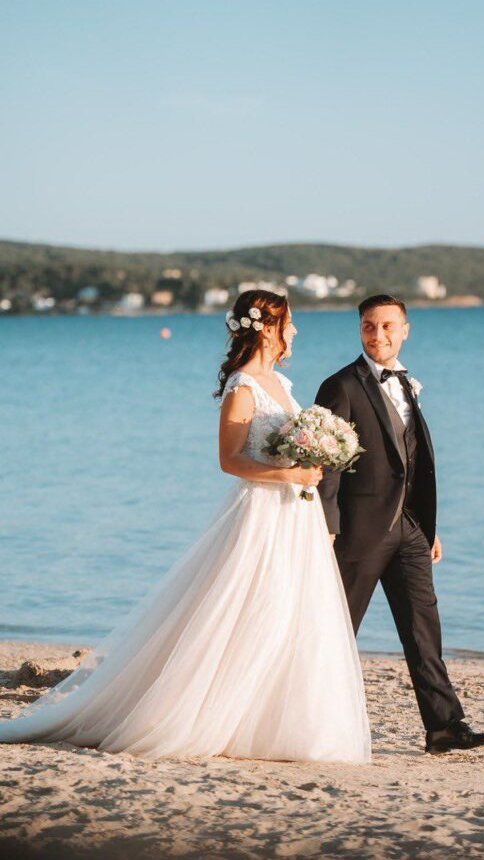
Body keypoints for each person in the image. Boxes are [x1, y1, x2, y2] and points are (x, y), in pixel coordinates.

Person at [0, 291, 371, 764]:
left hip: (295, 514)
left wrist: (312, 461)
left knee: (293, 609)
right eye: (290, 323)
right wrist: (291, 474)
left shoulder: (281, 383)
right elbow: (230, 460)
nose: (295, 332)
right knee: (248, 606)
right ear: (269, 328)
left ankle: (277, 719)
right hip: (261, 510)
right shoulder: (243, 386)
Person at [316, 294, 484, 754]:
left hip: (411, 529)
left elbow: (414, 463)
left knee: (423, 629)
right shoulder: (341, 386)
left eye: (388, 326)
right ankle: (308, 719)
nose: (379, 335)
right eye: (369, 326)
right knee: (336, 630)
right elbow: (328, 464)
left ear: (406, 329)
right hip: (358, 531)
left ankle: (443, 727)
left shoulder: (406, 383)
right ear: (359, 330)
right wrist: (328, 525)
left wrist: (429, 526)